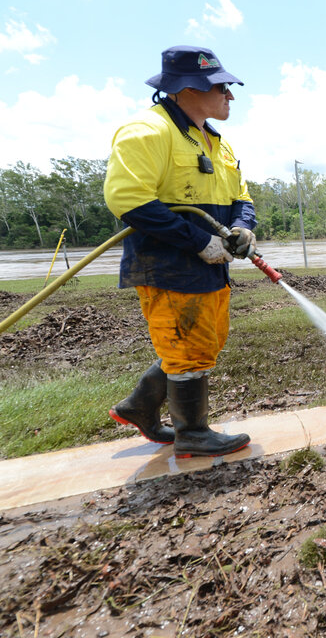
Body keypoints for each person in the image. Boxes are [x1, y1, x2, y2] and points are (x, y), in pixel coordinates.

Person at [103, 45, 256, 458]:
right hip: (168, 264)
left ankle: (139, 407)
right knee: (188, 348)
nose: (231, 96)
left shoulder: (216, 142)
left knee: (205, 343)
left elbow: (241, 195)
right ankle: (192, 433)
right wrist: (199, 241)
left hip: (210, 266)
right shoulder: (147, 132)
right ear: (189, 87)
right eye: (222, 87)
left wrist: (242, 228)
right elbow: (129, 199)